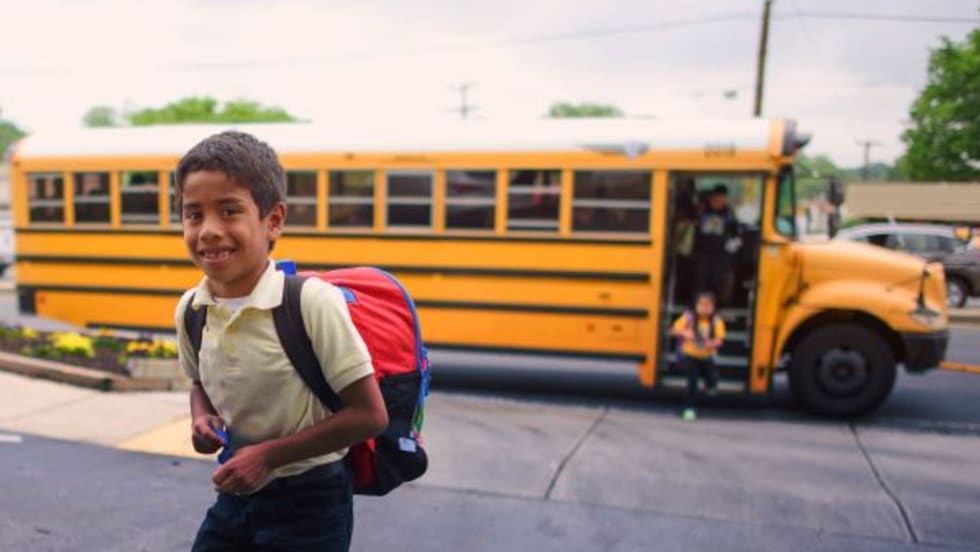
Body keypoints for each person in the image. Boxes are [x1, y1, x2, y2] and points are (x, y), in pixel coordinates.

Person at [173, 131, 388, 551]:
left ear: (273, 221)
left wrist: (269, 456)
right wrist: (202, 419)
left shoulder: (309, 304)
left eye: (230, 211)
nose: (209, 230)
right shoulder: (192, 309)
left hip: (311, 502)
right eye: (193, 214)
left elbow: (370, 415)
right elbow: (199, 382)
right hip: (236, 491)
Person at [672, 291, 726, 421]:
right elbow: (675, 329)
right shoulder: (688, 318)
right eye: (701, 305)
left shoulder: (716, 321)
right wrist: (685, 333)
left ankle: (710, 385)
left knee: (712, 377)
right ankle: (689, 409)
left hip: (707, 357)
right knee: (692, 383)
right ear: (695, 306)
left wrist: (710, 343)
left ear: (713, 308)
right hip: (690, 356)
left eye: (708, 306)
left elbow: (720, 340)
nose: (704, 308)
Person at [692, 184, 740, 305]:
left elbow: (735, 231)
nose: (720, 201)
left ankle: (714, 308)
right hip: (702, 252)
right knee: (701, 281)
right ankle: (697, 308)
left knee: (718, 281)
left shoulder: (728, 213)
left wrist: (734, 243)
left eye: (723, 198)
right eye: (717, 198)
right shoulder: (702, 209)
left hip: (721, 254)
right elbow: (691, 223)